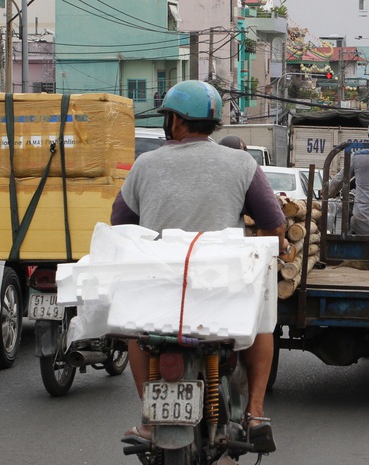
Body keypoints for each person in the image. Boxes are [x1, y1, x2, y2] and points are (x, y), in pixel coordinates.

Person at [111, 80, 285, 453]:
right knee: (261, 320)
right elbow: (273, 224)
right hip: (221, 288)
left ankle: (149, 418)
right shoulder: (242, 162)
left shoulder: (145, 164)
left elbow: (119, 223)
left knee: (137, 331)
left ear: (174, 121)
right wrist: (274, 249)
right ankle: (254, 414)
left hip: (158, 287)